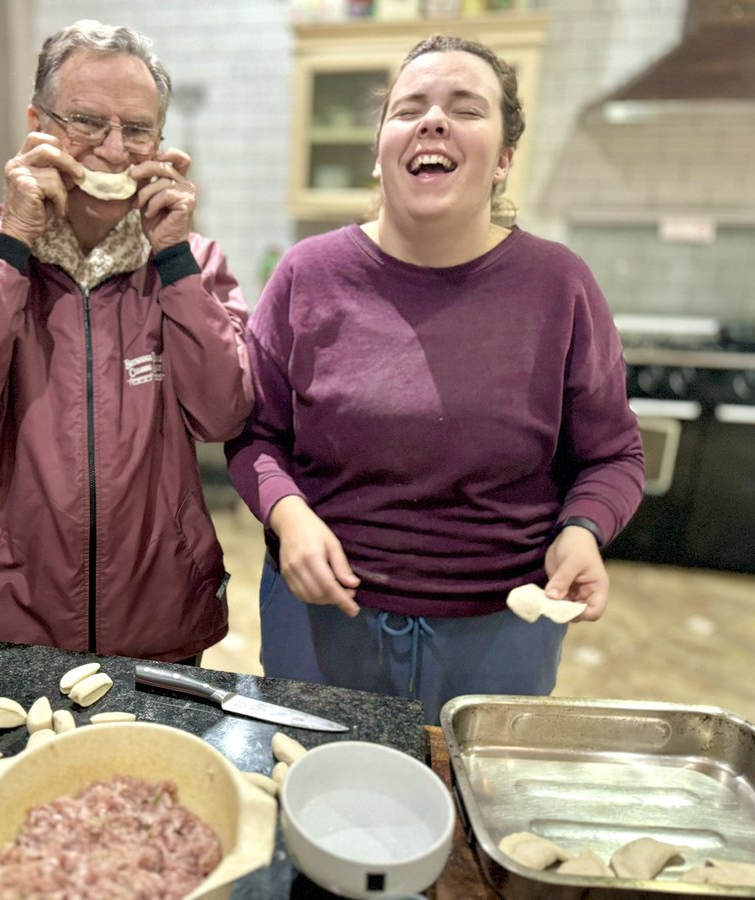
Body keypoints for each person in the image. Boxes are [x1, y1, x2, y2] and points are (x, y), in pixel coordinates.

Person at [224, 34, 644, 723]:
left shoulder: (559, 285)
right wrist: (287, 514)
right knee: (318, 805)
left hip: (501, 633)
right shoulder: (308, 275)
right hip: (324, 623)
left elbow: (614, 455)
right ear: (380, 147)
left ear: (505, 158)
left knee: (462, 816)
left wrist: (583, 530)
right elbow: (254, 435)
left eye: (466, 109)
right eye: (409, 107)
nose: (434, 120)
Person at [0, 20, 252, 662]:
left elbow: (223, 412)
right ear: (38, 124)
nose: (113, 151)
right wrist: (12, 246)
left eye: (137, 130)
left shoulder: (193, 262)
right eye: (87, 121)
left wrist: (174, 263)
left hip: (158, 621)